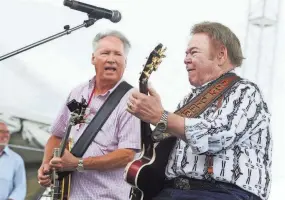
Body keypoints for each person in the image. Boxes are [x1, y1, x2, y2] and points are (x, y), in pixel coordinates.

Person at [126, 21, 272, 200]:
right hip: (172, 192)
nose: (186, 59)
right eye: (186, 53)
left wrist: (161, 116)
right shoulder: (189, 100)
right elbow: (160, 149)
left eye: (193, 52)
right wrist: (153, 118)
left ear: (220, 55)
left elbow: (217, 137)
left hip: (220, 193)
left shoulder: (245, 91)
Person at [37, 30, 141, 200]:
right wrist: (46, 164)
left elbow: (127, 155)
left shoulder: (133, 99)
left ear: (125, 62)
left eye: (118, 54)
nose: (111, 59)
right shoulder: (78, 92)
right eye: (105, 53)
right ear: (93, 58)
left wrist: (78, 164)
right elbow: (56, 135)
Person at [0, 122, 27, 200]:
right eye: (1, 131)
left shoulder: (16, 160)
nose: (6, 135)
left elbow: (20, 187)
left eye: (7, 132)